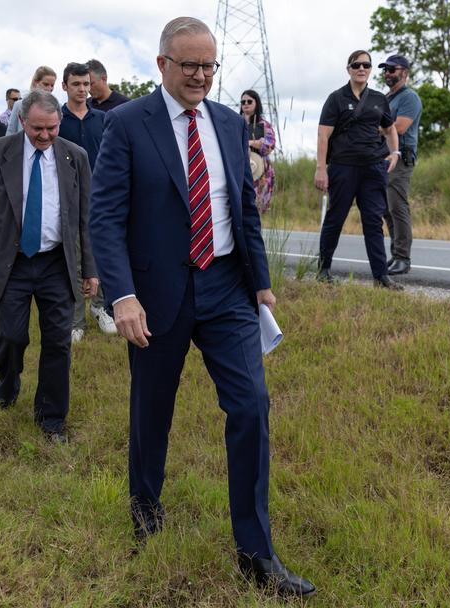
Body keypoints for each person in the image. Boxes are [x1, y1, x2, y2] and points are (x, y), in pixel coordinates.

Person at [89, 16, 316, 598]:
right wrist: (123, 296)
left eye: (208, 66)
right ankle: (145, 509)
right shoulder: (126, 124)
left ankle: (256, 553)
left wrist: (260, 282)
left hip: (225, 289)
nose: (199, 75)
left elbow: (243, 206)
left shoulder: (227, 122)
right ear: (162, 63)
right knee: (152, 411)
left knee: (251, 406)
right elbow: (106, 218)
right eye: (188, 64)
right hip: (155, 295)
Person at [0, 90, 98, 444]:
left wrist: (91, 269)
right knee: (12, 337)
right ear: (22, 122)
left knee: (58, 342)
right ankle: (7, 383)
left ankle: (51, 419)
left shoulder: (75, 157)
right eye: (37, 128)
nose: (44, 136)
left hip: (56, 262)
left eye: (51, 128)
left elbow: (87, 220)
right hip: (13, 262)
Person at [314, 50, 402, 290]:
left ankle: (381, 277)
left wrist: (395, 153)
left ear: (370, 69)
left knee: (373, 221)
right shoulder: (336, 98)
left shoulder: (378, 99)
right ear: (349, 68)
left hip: (373, 168)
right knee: (335, 218)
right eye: (356, 65)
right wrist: (321, 168)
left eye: (366, 65)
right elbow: (323, 135)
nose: (361, 68)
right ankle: (323, 270)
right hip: (343, 167)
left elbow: (390, 128)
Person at [57, 62, 115, 342]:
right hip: (64, 197)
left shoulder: (103, 120)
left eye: (86, 84)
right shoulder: (57, 120)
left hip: (99, 197)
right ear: (65, 86)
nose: (82, 89)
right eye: (76, 84)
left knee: (101, 253)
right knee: (74, 257)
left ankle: (101, 307)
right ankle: (75, 319)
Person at [379, 54, 423, 276]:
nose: (387, 73)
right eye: (385, 69)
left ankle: (403, 258)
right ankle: (395, 254)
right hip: (385, 158)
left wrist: (373, 130)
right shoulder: (387, 98)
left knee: (398, 207)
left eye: (392, 69)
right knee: (386, 209)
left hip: (401, 158)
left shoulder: (409, 97)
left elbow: (400, 127)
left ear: (404, 72)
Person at [240, 89, 276, 214]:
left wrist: (247, 143)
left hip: (260, 172)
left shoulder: (264, 125)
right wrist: (253, 142)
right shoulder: (236, 123)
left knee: (257, 209)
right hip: (240, 168)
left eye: (249, 101)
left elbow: (270, 145)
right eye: (243, 101)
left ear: (256, 103)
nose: (246, 104)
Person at [7, 66, 58, 135]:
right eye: (46, 84)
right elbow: (10, 132)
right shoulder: (19, 105)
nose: (49, 88)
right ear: (35, 83)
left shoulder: (57, 107)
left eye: (52, 85)